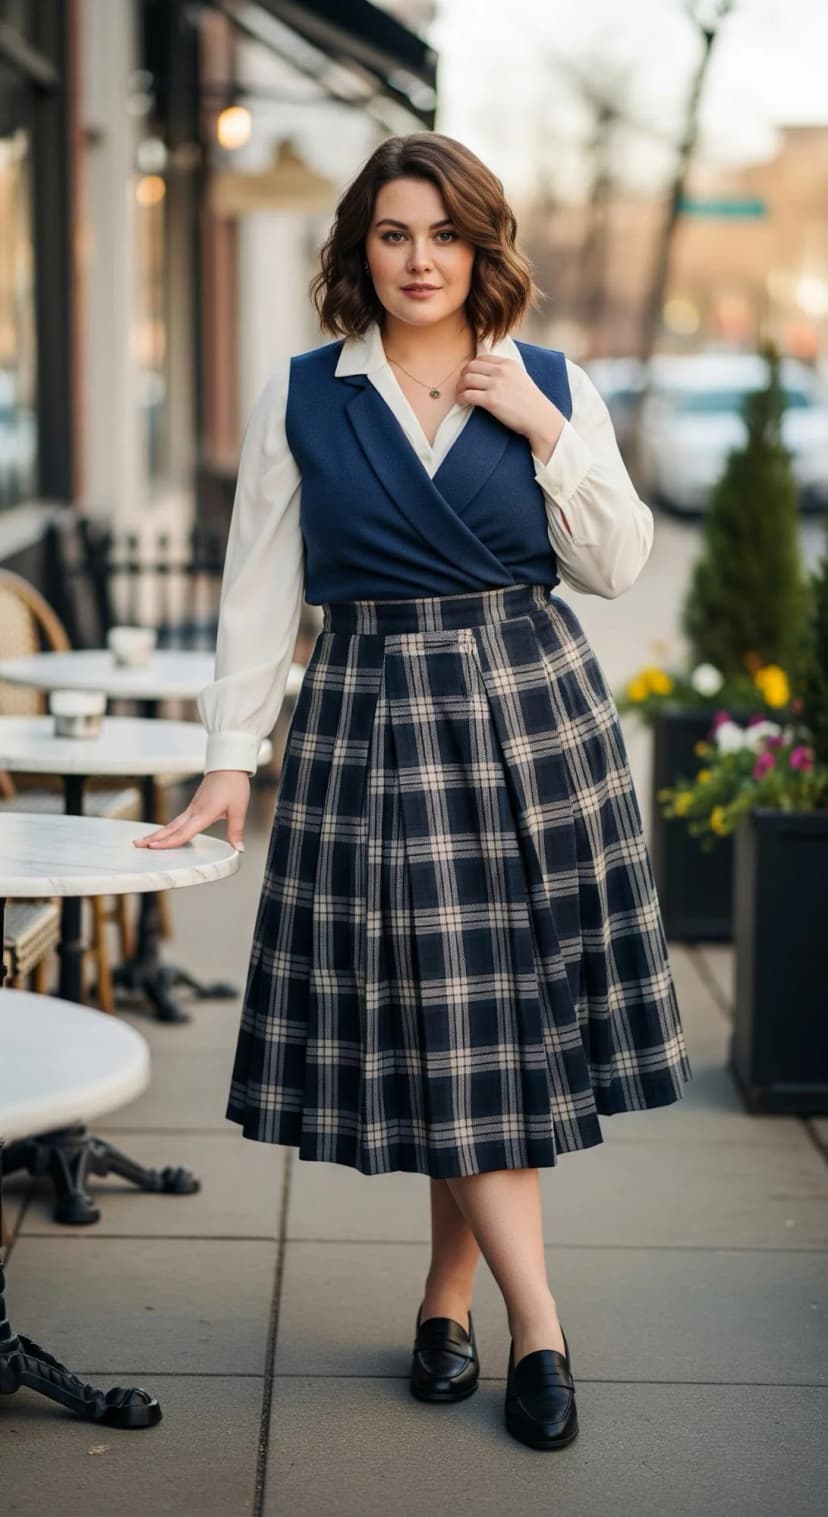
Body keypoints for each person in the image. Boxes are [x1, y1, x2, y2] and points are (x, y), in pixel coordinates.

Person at [134, 132, 692, 1451]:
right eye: (393, 233)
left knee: (486, 1027)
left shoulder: (551, 381)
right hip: (371, 717)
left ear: (481, 245)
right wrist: (231, 757)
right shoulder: (308, 397)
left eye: (443, 233)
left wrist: (544, 429)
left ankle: (453, 1295)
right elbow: (258, 591)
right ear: (360, 250)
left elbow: (615, 560)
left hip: (534, 717)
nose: (419, 258)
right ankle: (536, 1321)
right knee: (462, 1028)